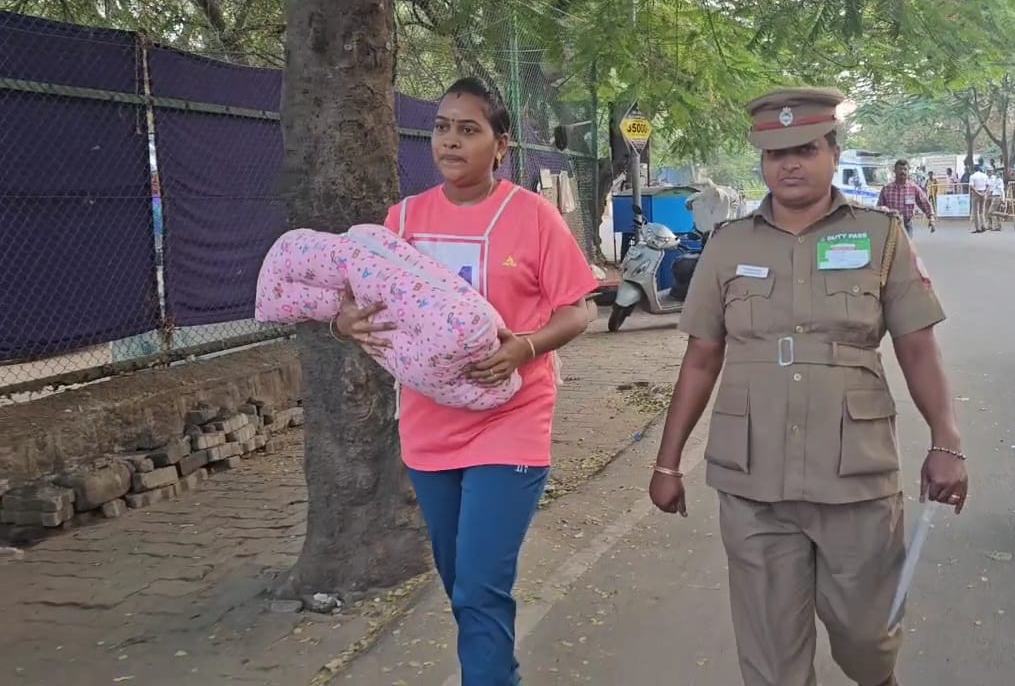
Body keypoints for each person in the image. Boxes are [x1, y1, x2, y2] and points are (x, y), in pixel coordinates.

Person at [648, 87, 968, 686]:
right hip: (754, 480)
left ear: (832, 152)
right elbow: (700, 359)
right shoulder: (728, 245)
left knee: (868, 640)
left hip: (855, 475)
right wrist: (667, 464)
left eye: (804, 149)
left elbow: (918, 347)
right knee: (771, 661)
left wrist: (946, 441)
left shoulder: (882, 235)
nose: (788, 164)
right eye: (775, 153)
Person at [332, 77, 598, 681]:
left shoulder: (533, 217)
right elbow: (354, 298)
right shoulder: (403, 219)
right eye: (442, 127)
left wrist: (525, 348)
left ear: (501, 144)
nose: (451, 141)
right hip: (429, 427)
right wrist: (343, 322)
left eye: (469, 130)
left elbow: (579, 307)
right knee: (460, 585)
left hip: (511, 420)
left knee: (480, 587)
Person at [876, 158, 936, 236]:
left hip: (906, 225)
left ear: (908, 172)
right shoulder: (886, 188)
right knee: (891, 247)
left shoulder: (913, 188)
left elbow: (924, 202)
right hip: (890, 225)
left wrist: (931, 218)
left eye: (905, 169)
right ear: (895, 171)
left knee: (906, 247)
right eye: (900, 169)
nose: (902, 172)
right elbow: (879, 207)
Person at [969, 165, 990, 233]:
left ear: (974, 170)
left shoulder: (972, 176)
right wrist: (984, 193)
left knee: (976, 211)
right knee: (982, 211)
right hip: (984, 192)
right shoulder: (985, 176)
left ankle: (978, 228)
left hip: (976, 193)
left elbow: (972, 186)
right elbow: (988, 185)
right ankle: (983, 225)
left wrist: (978, 192)